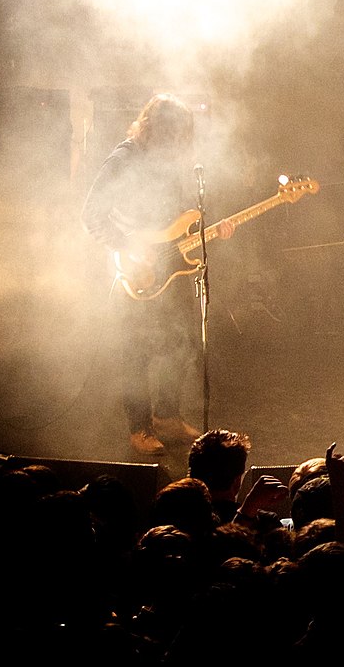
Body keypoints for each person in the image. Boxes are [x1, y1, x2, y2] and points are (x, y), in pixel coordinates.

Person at [81, 93, 234, 455]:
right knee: (136, 352)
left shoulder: (171, 165)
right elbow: (91, 214)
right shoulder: (123, 159)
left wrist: (212, 228)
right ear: (156, 130)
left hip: (172, 270)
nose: (180, 142)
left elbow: (177, 219)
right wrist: (128, 245)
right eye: (174, 134)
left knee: (182, 343)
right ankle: (139, 427)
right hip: (136, 271)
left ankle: (167, 417)